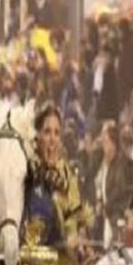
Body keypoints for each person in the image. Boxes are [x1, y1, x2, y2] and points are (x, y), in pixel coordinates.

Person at [28, 104, 85, 252]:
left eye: (57, 133)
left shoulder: (67, 176)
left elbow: (75, 217)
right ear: (37, 136)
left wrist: (75, 239)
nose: (52, 139)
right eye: (47, 132)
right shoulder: (27, 173)